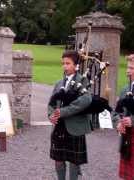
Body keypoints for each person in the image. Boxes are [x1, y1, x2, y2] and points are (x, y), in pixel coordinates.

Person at [48, 50, 92, 180]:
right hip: (58, 127)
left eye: (68, 63)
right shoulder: (58, 83)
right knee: (58, 160)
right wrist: (51, 115)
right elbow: (51, 103)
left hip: (75, 127)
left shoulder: (83, 82)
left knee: (74, 161)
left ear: (76, 65)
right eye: (63, 63)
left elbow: (84, 101)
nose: (65, 66)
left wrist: (62, 112)